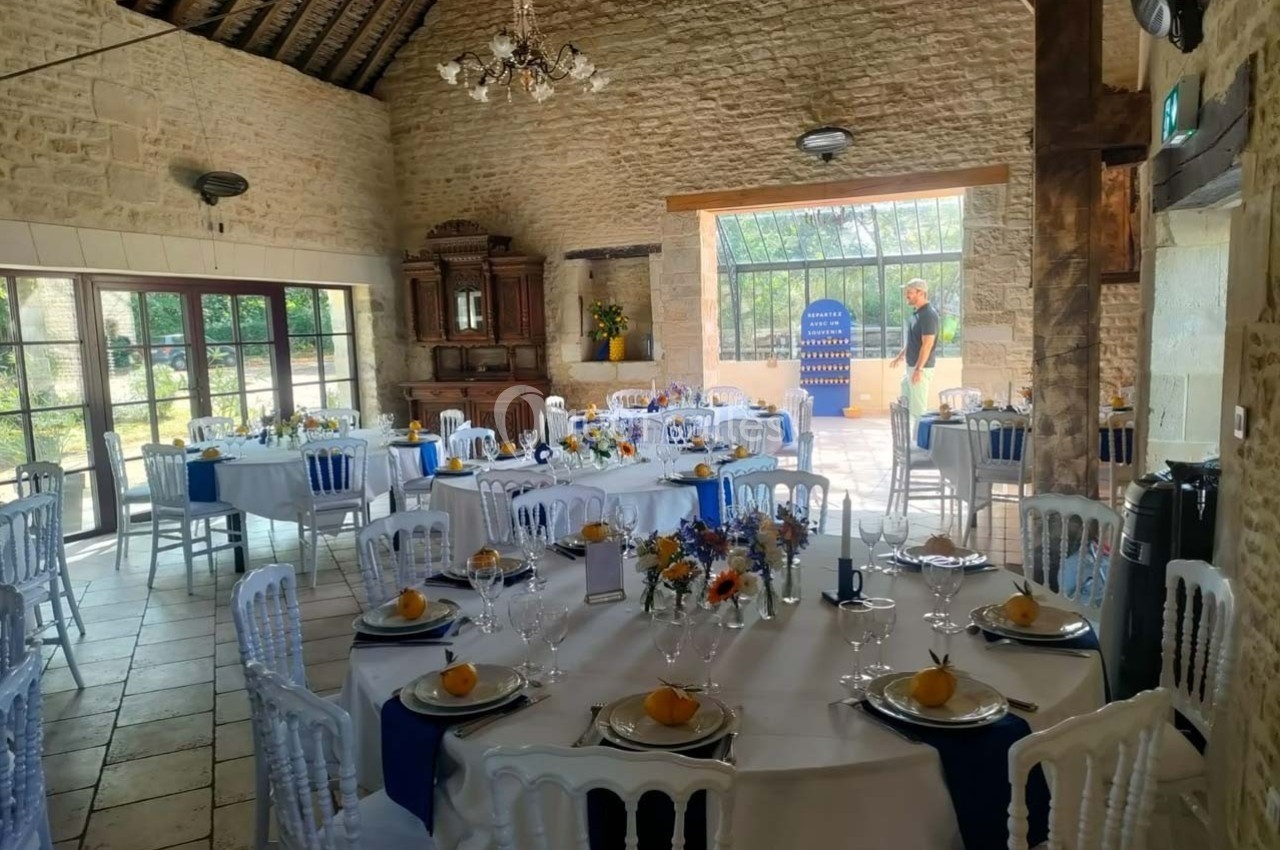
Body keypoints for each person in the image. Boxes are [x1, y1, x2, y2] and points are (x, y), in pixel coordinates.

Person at [889, 278, 939, 422]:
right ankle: (907, 439)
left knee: (918, 411)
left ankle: (917, 442)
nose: (907, 296)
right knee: (906, 406)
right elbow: (913, 341)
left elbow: (927, 344)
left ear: (921, 293)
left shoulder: (929, 315)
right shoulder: (916, 314)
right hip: (910, 367)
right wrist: (900, 356)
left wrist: (918, 369)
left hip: (920, 369)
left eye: (910, 292)